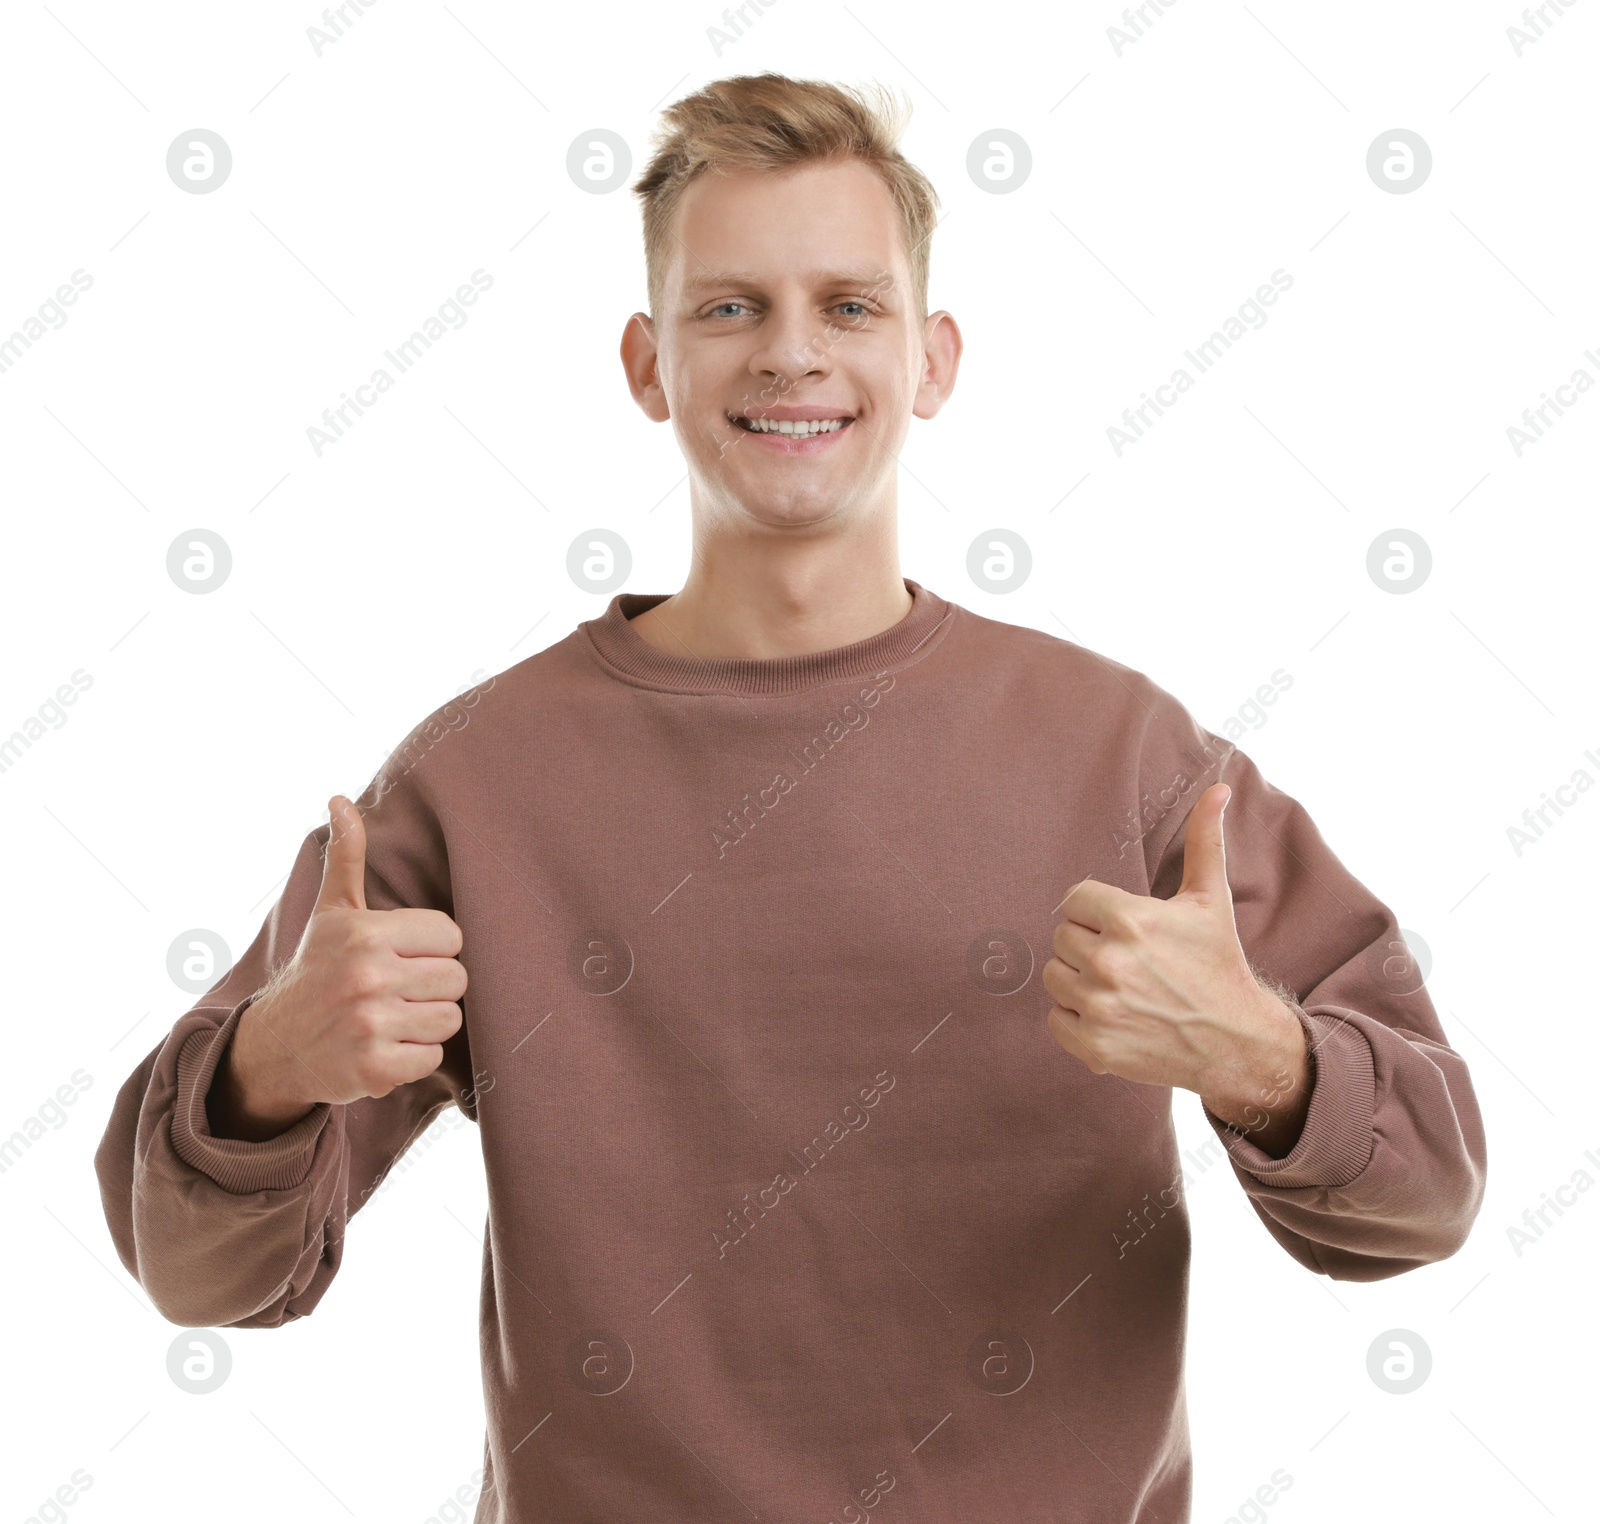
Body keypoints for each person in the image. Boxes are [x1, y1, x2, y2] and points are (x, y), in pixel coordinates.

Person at [95, 72, 1486, 1522]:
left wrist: (1266, 1062)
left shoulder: (1127, 757)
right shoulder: (474, 784)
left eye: (851, 305)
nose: (792, 355)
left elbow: (1429, 1200)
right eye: (729, 308)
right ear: (647, 365)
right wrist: (265, 1071)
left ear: (935, 358)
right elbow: (200, 1279)